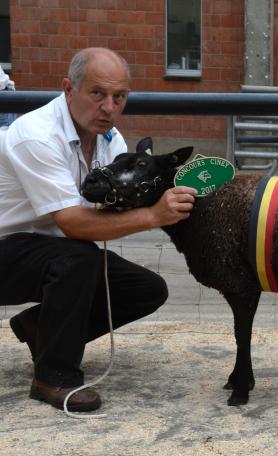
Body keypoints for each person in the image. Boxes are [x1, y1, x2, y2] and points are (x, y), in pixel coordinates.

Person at [0, 47, 197, 412]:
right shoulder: (37, 136)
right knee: (79, 257)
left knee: (146, 289)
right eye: (98, 94)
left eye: (119, 96)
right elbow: (74, 223)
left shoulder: (111, 141)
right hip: (7, 248)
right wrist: (154, 216)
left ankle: (39, 328)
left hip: (49, 249)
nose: (109, 107)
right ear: (68, 89)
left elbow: (108, 210)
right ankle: (53, 378)